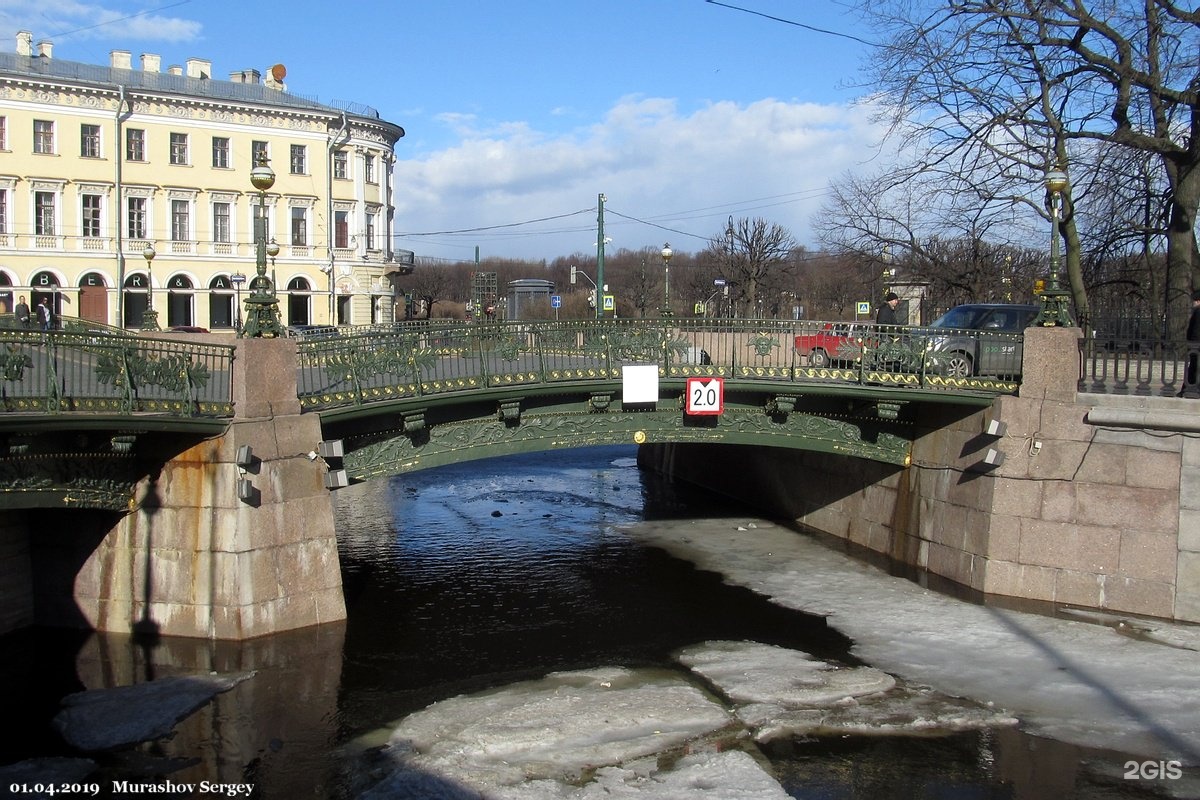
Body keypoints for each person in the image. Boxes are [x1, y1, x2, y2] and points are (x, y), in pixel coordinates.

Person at [1184, 290, 1200, 396]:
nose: (1193, 304)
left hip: (1197, 345)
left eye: (1194, 301)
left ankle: (1187, 389)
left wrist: (1192, 343)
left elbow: (1195, 330)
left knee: (1194, 368)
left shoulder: (1198, 312)